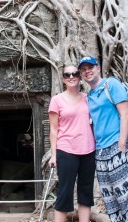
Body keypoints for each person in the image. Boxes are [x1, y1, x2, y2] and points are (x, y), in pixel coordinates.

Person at [78, 56, 128, 222]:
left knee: (126, 194)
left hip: (117, 146)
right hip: (100, 151)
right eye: (83, 69)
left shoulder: (111, 84)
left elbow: (125, 113)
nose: (87, 71)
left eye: (90, 67)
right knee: (110, 198)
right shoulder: (89, 95)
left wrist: (122, 143)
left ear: (98, 68)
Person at [48, 65, 96, 222]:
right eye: (67, 74)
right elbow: (54, 130)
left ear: (80, 76)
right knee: (64, 191)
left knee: (86, 190)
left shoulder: (87, 98)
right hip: (66, 149)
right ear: (62, 78)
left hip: (88, 149)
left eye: (75, 73)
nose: (71, 76)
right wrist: (53, 155)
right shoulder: (57, 100)